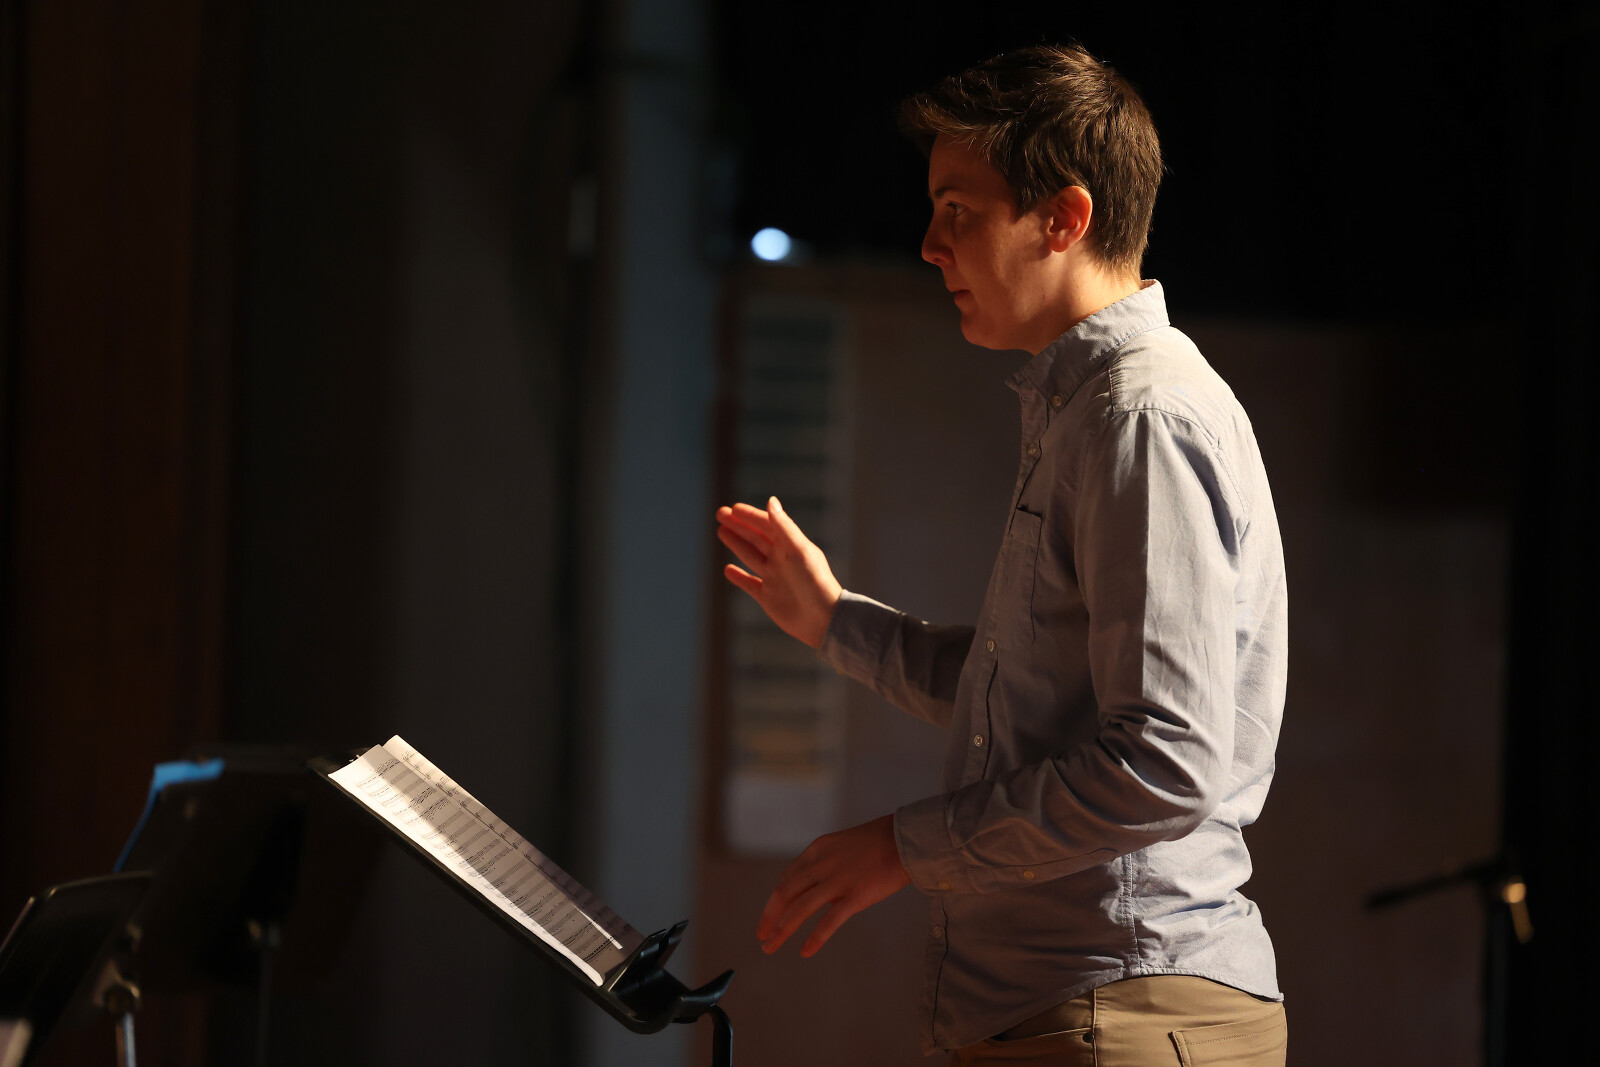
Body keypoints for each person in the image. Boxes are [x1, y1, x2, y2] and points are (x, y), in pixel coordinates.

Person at [715, 43, 1287, 1066]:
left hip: (1120, 999)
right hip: (1084, 1003)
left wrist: (906, 845)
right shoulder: (1097, 407)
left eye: (958, 212)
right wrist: (834, 619)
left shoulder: (1141, 416)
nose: (930, 246)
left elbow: (1166, 762)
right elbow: (1033, 699)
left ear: (1063, 218)